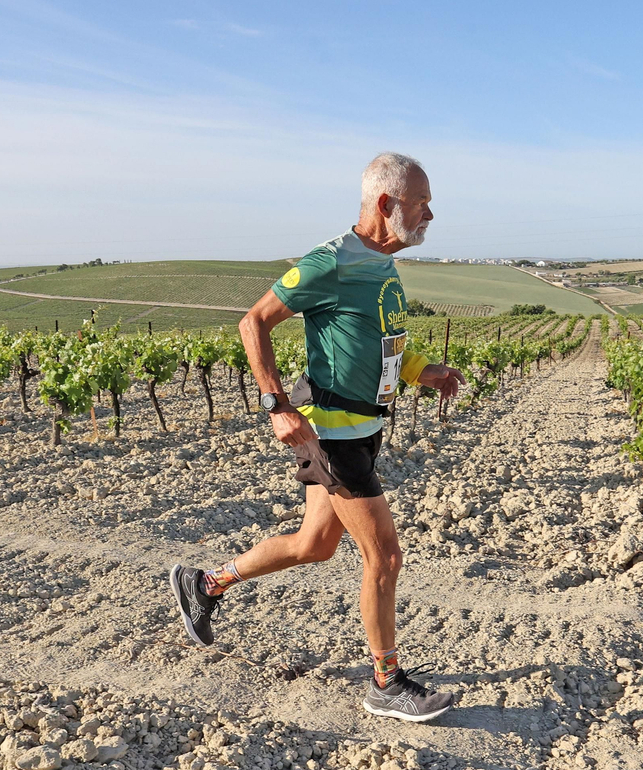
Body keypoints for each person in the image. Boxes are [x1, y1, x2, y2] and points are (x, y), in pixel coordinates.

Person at [169, 152, 466, 723]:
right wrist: (277, 405)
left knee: (314, 545)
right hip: (335, 437)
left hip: (365, 429)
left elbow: (381, 344)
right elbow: (252, 321)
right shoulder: (328, 262)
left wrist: (424, 372)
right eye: (421, 204)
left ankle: (205, 585)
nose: (431, 214)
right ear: (385, 204)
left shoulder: (382, 264)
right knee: (384, 555)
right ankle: (386, 681)